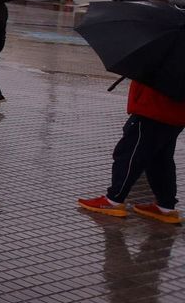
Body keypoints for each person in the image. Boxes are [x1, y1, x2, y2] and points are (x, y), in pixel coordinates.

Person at [78, 78, 184, 224]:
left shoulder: (165, 57)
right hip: (175, 113)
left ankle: (114, 200)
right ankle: (165, 207)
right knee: (160, 160)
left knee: (129, 154)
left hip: (152, 108)